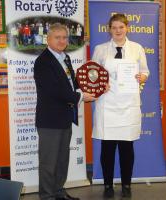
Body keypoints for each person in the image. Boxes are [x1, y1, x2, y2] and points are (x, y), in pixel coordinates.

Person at [34, 23, 96, 200]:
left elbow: (72, 83)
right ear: (48, 39)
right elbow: (54, 91)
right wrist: (81, 97)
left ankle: (59, 192)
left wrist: (91, 88)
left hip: (64, 118)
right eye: (57, 37)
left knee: (62, 160)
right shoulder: (43, 62)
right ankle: (47, 196)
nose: (62, 41)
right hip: (49, 121)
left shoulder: (65, 58)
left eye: (64, 37)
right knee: (48, 163)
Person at [92, 14, 149, 198]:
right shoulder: (100, 49)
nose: (118, 31)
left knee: (126, 149)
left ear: (127, 28)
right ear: (109, 29)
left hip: (128, 104)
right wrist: (101, 83)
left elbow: (145, 70)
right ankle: (108, 185)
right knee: (107, 148)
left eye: (121, 27)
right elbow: (92, 74)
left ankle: (126, 184)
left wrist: (143, 77)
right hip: (107, 104)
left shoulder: (137, 48)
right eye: (114, 27)